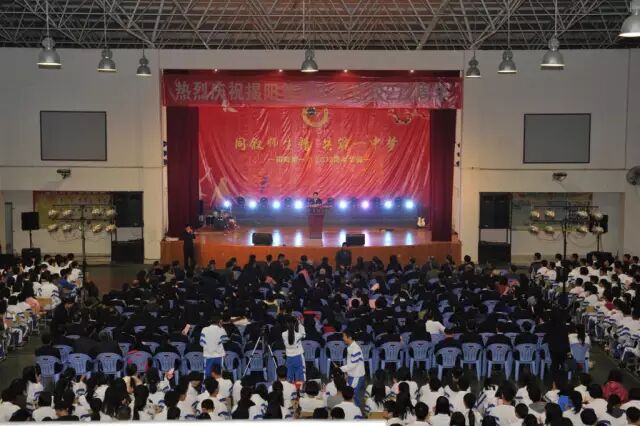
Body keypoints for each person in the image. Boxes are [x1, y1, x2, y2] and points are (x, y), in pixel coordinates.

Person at [340, 330, 366, 407]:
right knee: (352, 395)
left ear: (350, 337)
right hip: (353, 375)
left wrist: (340, 369)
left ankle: (358, 410)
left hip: (356, 376)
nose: (343, 338)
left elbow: (353, 364)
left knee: (353, 395)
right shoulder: (351, 347)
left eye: (344, 336)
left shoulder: (355, 349)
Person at [200, 314, 228, 379]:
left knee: (207, 374)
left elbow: (202, 343)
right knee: (218, 374)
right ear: (219, 321)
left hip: (208, 355)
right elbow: (225, 340)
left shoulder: (204, 329)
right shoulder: (221, 329)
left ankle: (207, 385)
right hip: (219, 355)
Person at [282, 316, 306, 383]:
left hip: (289, 358)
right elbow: (304, 335)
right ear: (295, 323)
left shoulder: (283, 334)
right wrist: (299, 324)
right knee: (300, 379)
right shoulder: (298, 335)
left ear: (286, 324)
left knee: (289, 379)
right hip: (298, 357)